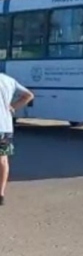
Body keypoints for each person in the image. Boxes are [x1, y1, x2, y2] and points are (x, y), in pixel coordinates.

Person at [0, 73, 34, 205]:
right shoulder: (9, 80)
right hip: (5, 127)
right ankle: (1, 194)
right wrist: (13, 107)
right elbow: (29, 95)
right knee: (3, 159)